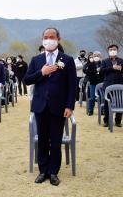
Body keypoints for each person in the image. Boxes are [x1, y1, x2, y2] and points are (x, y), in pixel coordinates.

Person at [25, 27, 76, 186]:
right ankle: (43, 171)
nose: (48, 39)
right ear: (43, 40)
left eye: (52, 37)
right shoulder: (36, 60)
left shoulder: (67, 60)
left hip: (59, 107)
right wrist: (42, 72)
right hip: (40, 106)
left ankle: (53, 172)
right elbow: (27, 80)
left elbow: (72, 85)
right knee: (42, 140)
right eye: (46, 37)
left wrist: (69, 106)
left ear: (58, 39)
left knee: (55, 140)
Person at [101, 45, 123, 127]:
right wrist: (112, 68)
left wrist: (121, 68)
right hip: (108, 85)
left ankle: (118, 121)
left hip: (119, 83)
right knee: (107, 103)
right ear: (108, 51)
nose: (113, 50)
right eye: (111, 49)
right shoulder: (105, 61)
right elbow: (102, 71)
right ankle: (106, 120)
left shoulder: (121, 60)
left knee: (119, 102)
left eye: (114, 49)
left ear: (117, 50)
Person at [83, 51, 103, 116]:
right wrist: (96, 71)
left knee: (101, 97)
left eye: (98, 56)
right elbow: (88, 72)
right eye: (95, 56)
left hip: (101, 83)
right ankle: (90, 110)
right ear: (93, 57)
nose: (96, 57)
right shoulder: (90, 64)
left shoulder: (103, 63)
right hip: (93, 82)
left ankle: (102, 110)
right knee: (92, 97)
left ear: (100, 57)